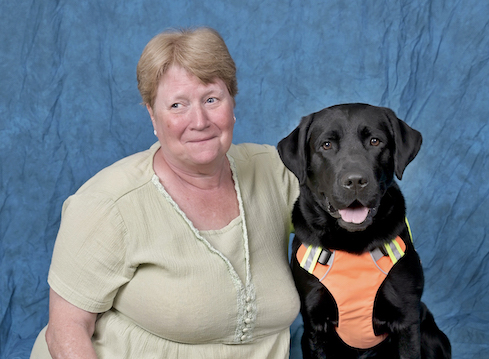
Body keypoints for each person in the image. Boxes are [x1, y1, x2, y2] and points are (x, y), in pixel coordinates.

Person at [30, 27, 300, 358]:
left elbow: (355, 214)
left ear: (233, 102)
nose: (199, 120)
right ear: (152, 115)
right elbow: (65, 329)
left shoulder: (277, 173)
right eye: (177, 105)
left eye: (211, 99)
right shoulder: (108, 204)